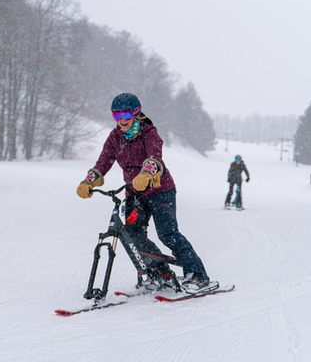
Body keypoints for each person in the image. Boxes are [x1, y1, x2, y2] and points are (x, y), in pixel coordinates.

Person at [76, 93, 213, 294]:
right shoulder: (115, 138)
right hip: (135, 194)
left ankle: (198, 275)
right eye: (117, 115)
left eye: (126, 113)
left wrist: (147, 172)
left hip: (160, 190)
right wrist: (89, 181)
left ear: (136, 112)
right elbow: (103, 162)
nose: (122, 119)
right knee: (133, 235)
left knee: (168, 234)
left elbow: (154, 156)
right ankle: (161, 274)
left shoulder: (149, 132)